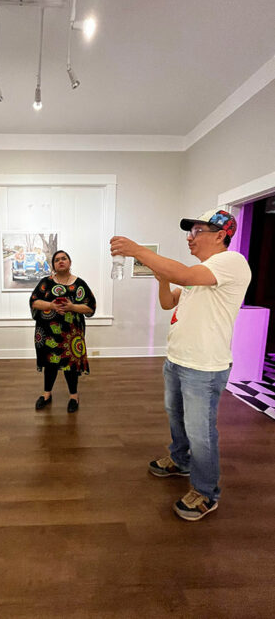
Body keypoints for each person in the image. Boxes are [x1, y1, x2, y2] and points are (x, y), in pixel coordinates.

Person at [110, 209, 251, 521]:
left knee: (201, 432)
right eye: (190, 232)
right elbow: (167, 302)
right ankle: (180, 460)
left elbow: (184, 276)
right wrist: (162, 279)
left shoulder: (231, 263)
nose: (191, 237)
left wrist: (137, 251)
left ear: (220, 235)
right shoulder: (201, 271)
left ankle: (206, 492)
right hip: (177, 359)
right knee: (176, 416)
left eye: (198, 231)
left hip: (204, 366)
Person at [30, 250, 96, 413]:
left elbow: (90, 307)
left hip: (71, 336)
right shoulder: (45, 282)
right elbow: (34, 302)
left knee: (71, 366)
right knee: (50, 364)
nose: (60, 261)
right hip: (48, 333)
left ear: (70, 262)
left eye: (64, 259)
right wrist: (51, 305)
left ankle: (74, 396)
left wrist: (72, 307)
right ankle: (46, 395)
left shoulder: (79, 284)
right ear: (53, 265)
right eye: (57, 260)